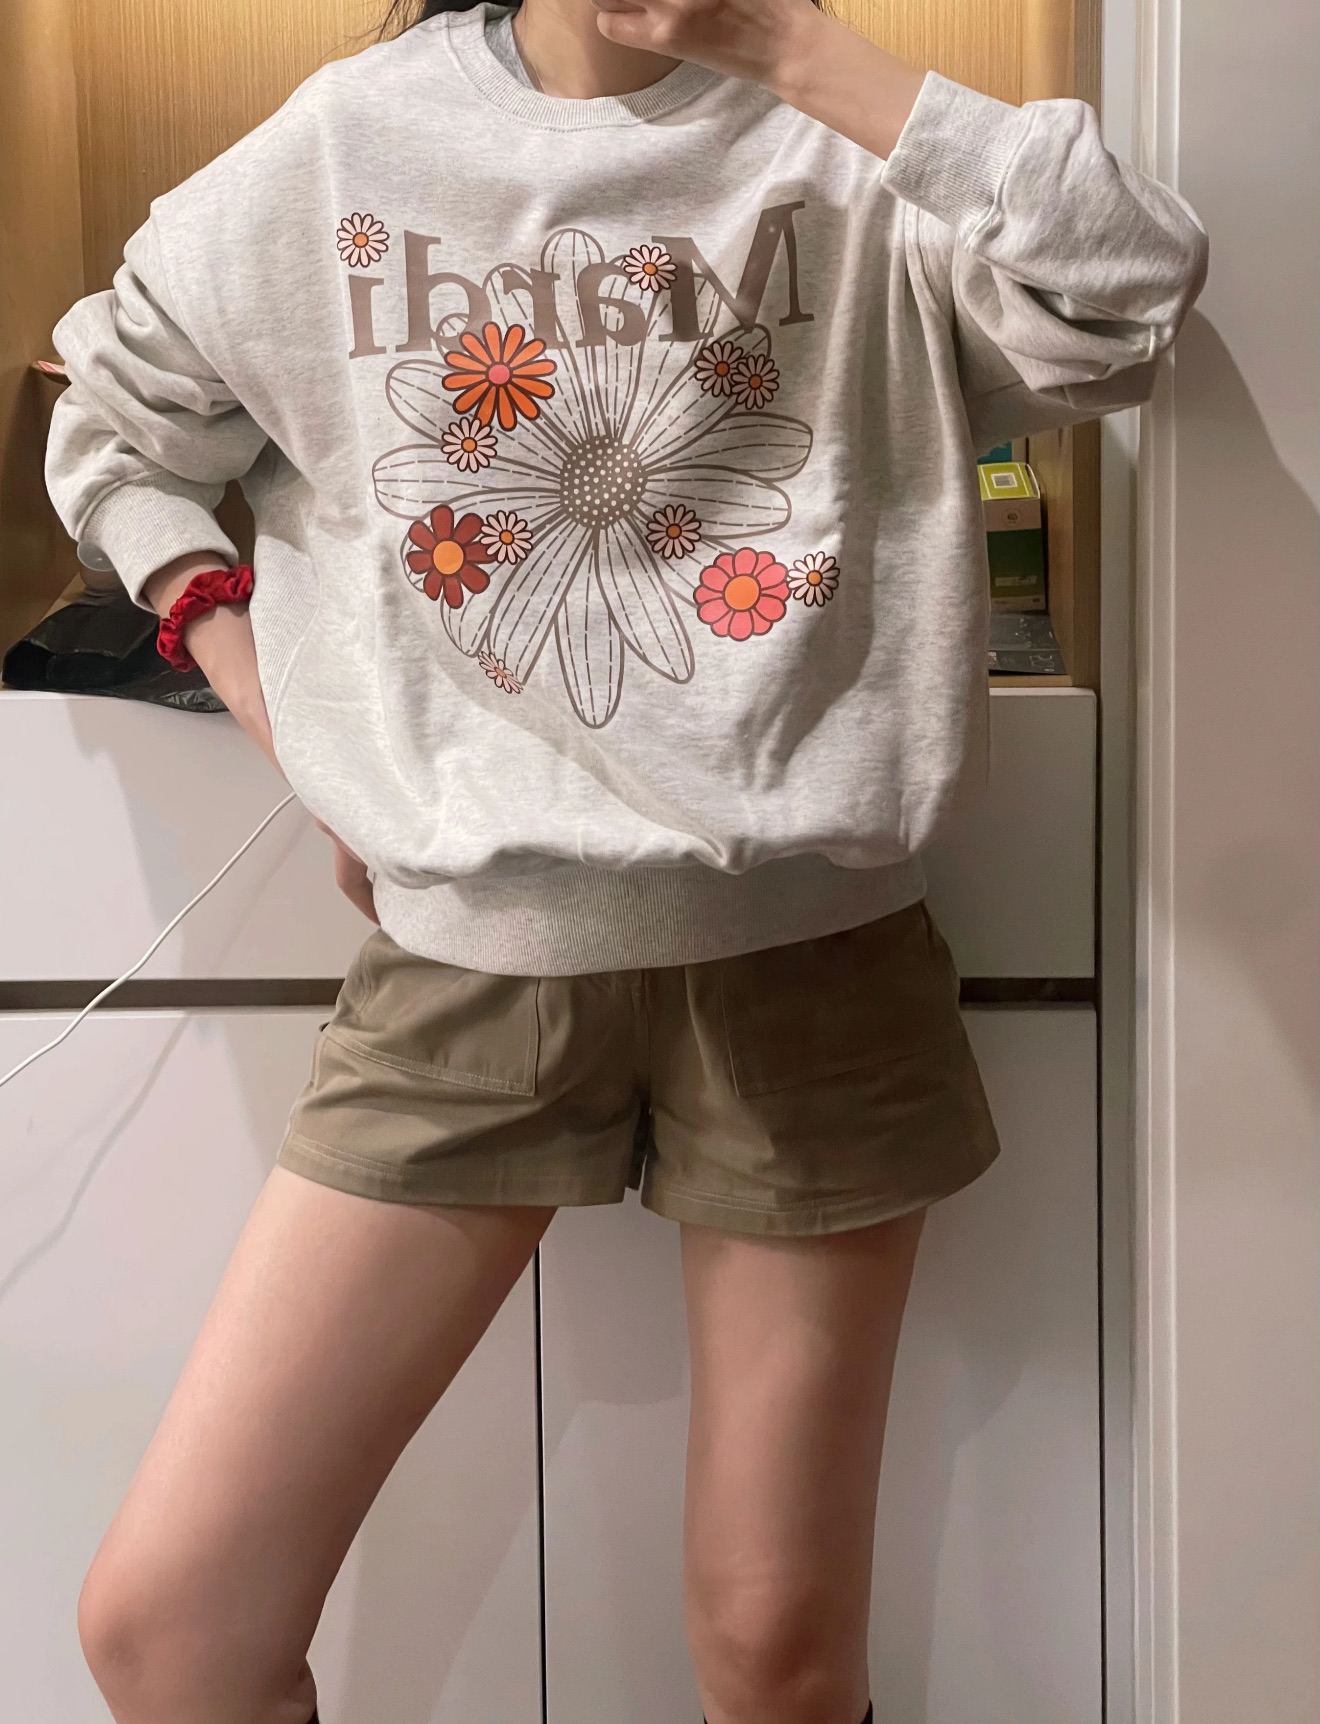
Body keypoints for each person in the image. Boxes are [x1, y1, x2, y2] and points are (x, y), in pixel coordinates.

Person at [45, 2, 1206, 1720]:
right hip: (466, 973)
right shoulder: (353, 141)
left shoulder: (858, 145)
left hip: (815, 967)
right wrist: (267, 690)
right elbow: (114, 424)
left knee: (776, 1655)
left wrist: (790, 51)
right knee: (172, 1628)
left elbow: (1133, 293)